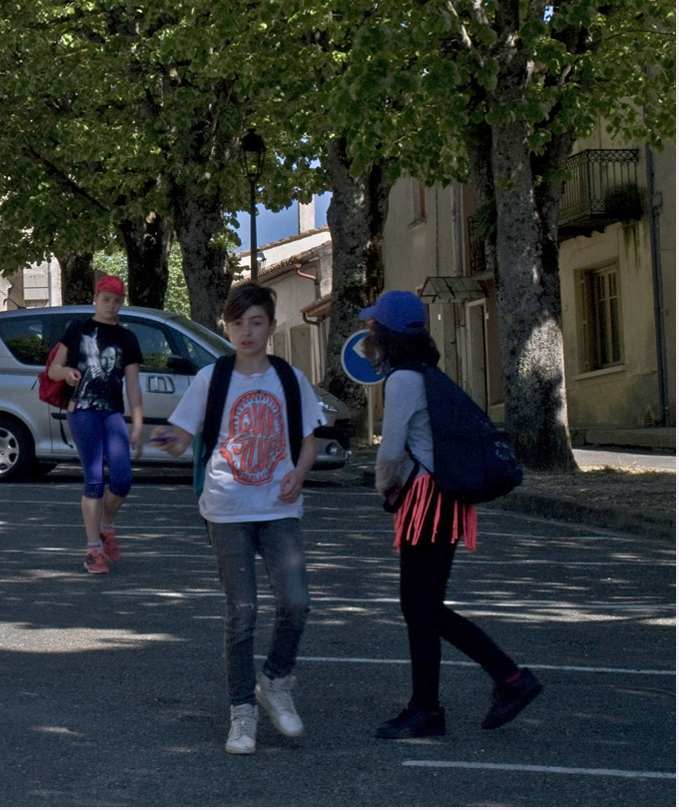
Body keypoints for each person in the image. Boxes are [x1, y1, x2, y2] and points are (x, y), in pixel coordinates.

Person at [361, 290, 543, 740]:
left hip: (426, 502)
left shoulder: (402, 380)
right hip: (445, 502)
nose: (368, 333)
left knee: (420, 607)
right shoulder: (426, 373)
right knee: (425, 607)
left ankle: (489, 686)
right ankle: (459, 696)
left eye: (372, 327)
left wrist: (385, 487)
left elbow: (390, 450)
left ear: (382, 333)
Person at [151, 282, 320, 755]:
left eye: (256, 322)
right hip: (226, 508)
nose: (246, 332)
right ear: (227, 326)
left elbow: (308, 438)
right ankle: (242, 713)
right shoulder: (212, 378)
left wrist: (301, 473)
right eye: (237, 323)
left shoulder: (289, 379)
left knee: (297, 601)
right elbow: (183, 437)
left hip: (278, 505)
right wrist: (156, 436)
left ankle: (276, 682)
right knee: (241, 612)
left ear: (270, 324)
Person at [46, 275, 143, 575]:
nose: (110, 305)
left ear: (122, 303)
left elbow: (133, 385)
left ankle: (106, 527)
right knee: (94, 480)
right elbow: (53, 369)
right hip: (83, 410)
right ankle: (93, 551)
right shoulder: (78, 328)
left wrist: (137, 425)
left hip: (112, 412)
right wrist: (67, 375)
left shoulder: (127, 338)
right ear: (96, 298)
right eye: (105, 300)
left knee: (123, 479)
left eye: (116, 301)